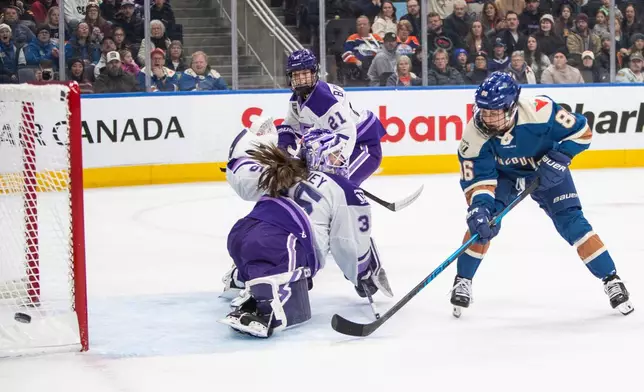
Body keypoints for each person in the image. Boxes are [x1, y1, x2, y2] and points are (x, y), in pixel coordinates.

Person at [450, 72, 634, 318]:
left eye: (494, 111)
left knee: (573, 224)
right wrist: (480, 208)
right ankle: (463, 279)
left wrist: (559, 159)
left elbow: (582, 132)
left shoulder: (541, 110)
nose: (487, 118)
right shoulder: (473, 135)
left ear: (512, 107)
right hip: (505, 177)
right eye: (483, 110)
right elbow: (479, 181)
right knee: (482, 225)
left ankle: (611, 279)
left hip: (546, 171)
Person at [219, 125, 393, 338]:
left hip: (243, 232)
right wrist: (363, 272)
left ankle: (241, 276)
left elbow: (241, 176)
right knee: (293, 286)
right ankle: (268, 305)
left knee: (265, 256)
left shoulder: (284, 170)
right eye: (336, 156)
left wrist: (248, 142)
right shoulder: (346, 189)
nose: (342, 160)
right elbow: (348, 243)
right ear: (319, 156)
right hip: (282, 242)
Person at [279, 49, 387, 186]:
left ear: (314, 73)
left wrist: (338, 159)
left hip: (363, 145)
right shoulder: (298, 99)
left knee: (336, 189)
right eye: (296, 74)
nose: (301, 79)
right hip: (349, 141)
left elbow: (347, 129)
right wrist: (282, 150)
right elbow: (290, 127)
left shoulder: (321, 99)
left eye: (305, 73)